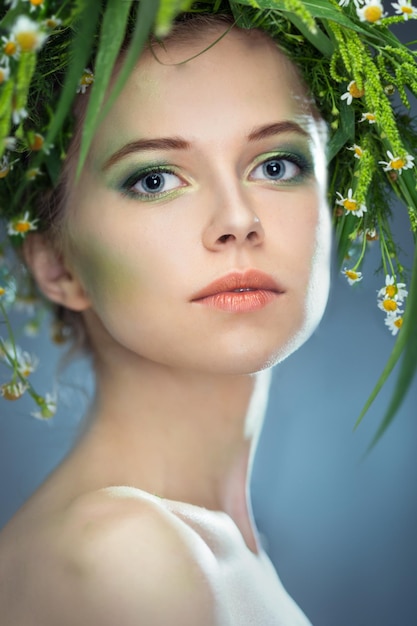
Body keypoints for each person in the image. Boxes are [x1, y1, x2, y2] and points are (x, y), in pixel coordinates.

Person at [0, 13, 331, 624]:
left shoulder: (192, 543)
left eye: (277, 165)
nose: (238, 218)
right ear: (57, 265)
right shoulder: (120, 557)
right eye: (154, 179)